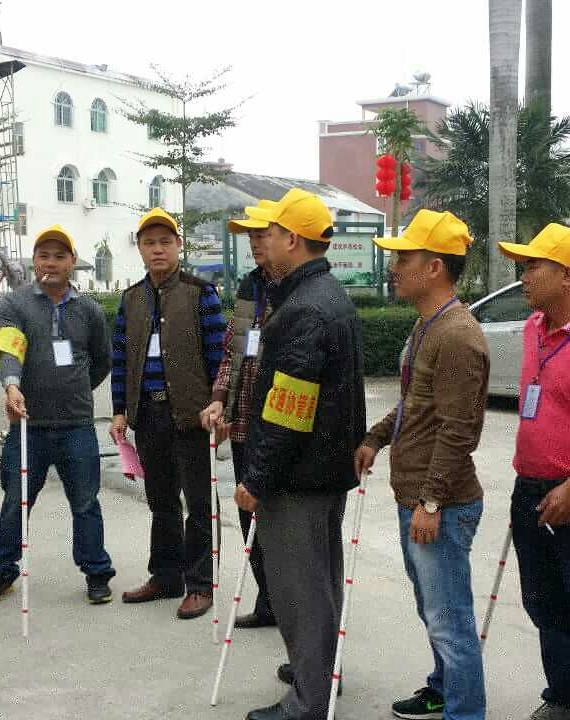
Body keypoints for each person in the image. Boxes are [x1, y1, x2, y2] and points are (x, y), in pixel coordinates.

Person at [234, 188, 366, 720]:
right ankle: (319, 672)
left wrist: (257, 478)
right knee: (321, 580)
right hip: (324, 469)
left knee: (300, 588)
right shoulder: (327, 294)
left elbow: (288, 410)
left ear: (292, 239)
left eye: (270, 233)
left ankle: (309, 700)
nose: (263, 242)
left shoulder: (303, 309)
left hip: (299, 476)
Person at [356, 209, 489, 720]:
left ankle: (464, 711)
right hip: (417, 497)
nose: (394, 268)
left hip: (442, 504)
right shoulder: (427, 324)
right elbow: (416, 403)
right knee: (434, 612)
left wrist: (431, 501)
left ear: (433, 267)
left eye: (404, 259)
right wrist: (376, 437)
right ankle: (443, 689)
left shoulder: (457, 335)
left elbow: (459, 431)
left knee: (450, 620)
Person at [497, 223, 570, 720]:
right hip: (529, 485)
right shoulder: (533, 328)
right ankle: (564, 696)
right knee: (542, 600)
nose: (523, 277)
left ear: (567, 275)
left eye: (532, 267)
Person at [0, 224, 116, 605]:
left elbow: (102, 360)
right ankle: (1, 573)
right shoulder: (16, 304)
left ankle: (97, 573)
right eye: (43, 256)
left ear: (73, 261)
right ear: (34, 261)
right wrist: (11, 385)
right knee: (15, 502)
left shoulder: (89, 309)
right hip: (29, 427)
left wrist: (75, 388)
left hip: (77, 426)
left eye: (59, 256)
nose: (50, 263)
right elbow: (10, 350)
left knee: (86, 504)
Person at [111, 208, 226, 619]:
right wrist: (120, 411)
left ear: (178, 245)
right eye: (149, 243)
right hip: (148, 414)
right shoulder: (131, 299)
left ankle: (201, 584)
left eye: (165, 242)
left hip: (192, 416)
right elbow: (121, 359)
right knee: (161, 501)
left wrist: (220, 403)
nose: (157, 249)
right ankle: (165, 576)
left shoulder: (200, 293)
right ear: (140, 249)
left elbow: (220, 356)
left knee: (199, 503)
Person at [201, 201, 278, 629]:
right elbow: (234, 352)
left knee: (279, 520)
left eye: (261, 233)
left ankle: (293, 608)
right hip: (245, 424)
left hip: (279, 428)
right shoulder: (251, 286)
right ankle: (269, 600)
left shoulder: (298, 291)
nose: (254, 242)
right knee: (249, 515)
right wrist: (219, 399)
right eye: (250, 236)